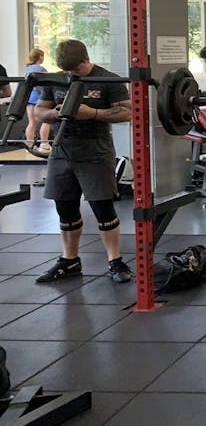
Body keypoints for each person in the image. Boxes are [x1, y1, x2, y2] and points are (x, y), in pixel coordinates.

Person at [33, 40, 133, 284]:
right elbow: (39, 111)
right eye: (67, 71)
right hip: (62, 150)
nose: (71, 75)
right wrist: (55, 113)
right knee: (65, 209)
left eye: (75, 70)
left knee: (103, 208)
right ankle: (70, 261)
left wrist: (94, 113)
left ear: (86, 60)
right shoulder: (55, 79)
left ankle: (115, 261)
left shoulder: (108, 79)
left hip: (95, 150)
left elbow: (129, 112)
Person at [23, 49, 52, 152]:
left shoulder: (26, 69)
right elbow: (46, 85)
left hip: (29, 97)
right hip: (39, 97)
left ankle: (29, 145)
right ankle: (44, 143)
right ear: (40, 57)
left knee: (31, 122)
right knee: (46, 121)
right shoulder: (41, 69)